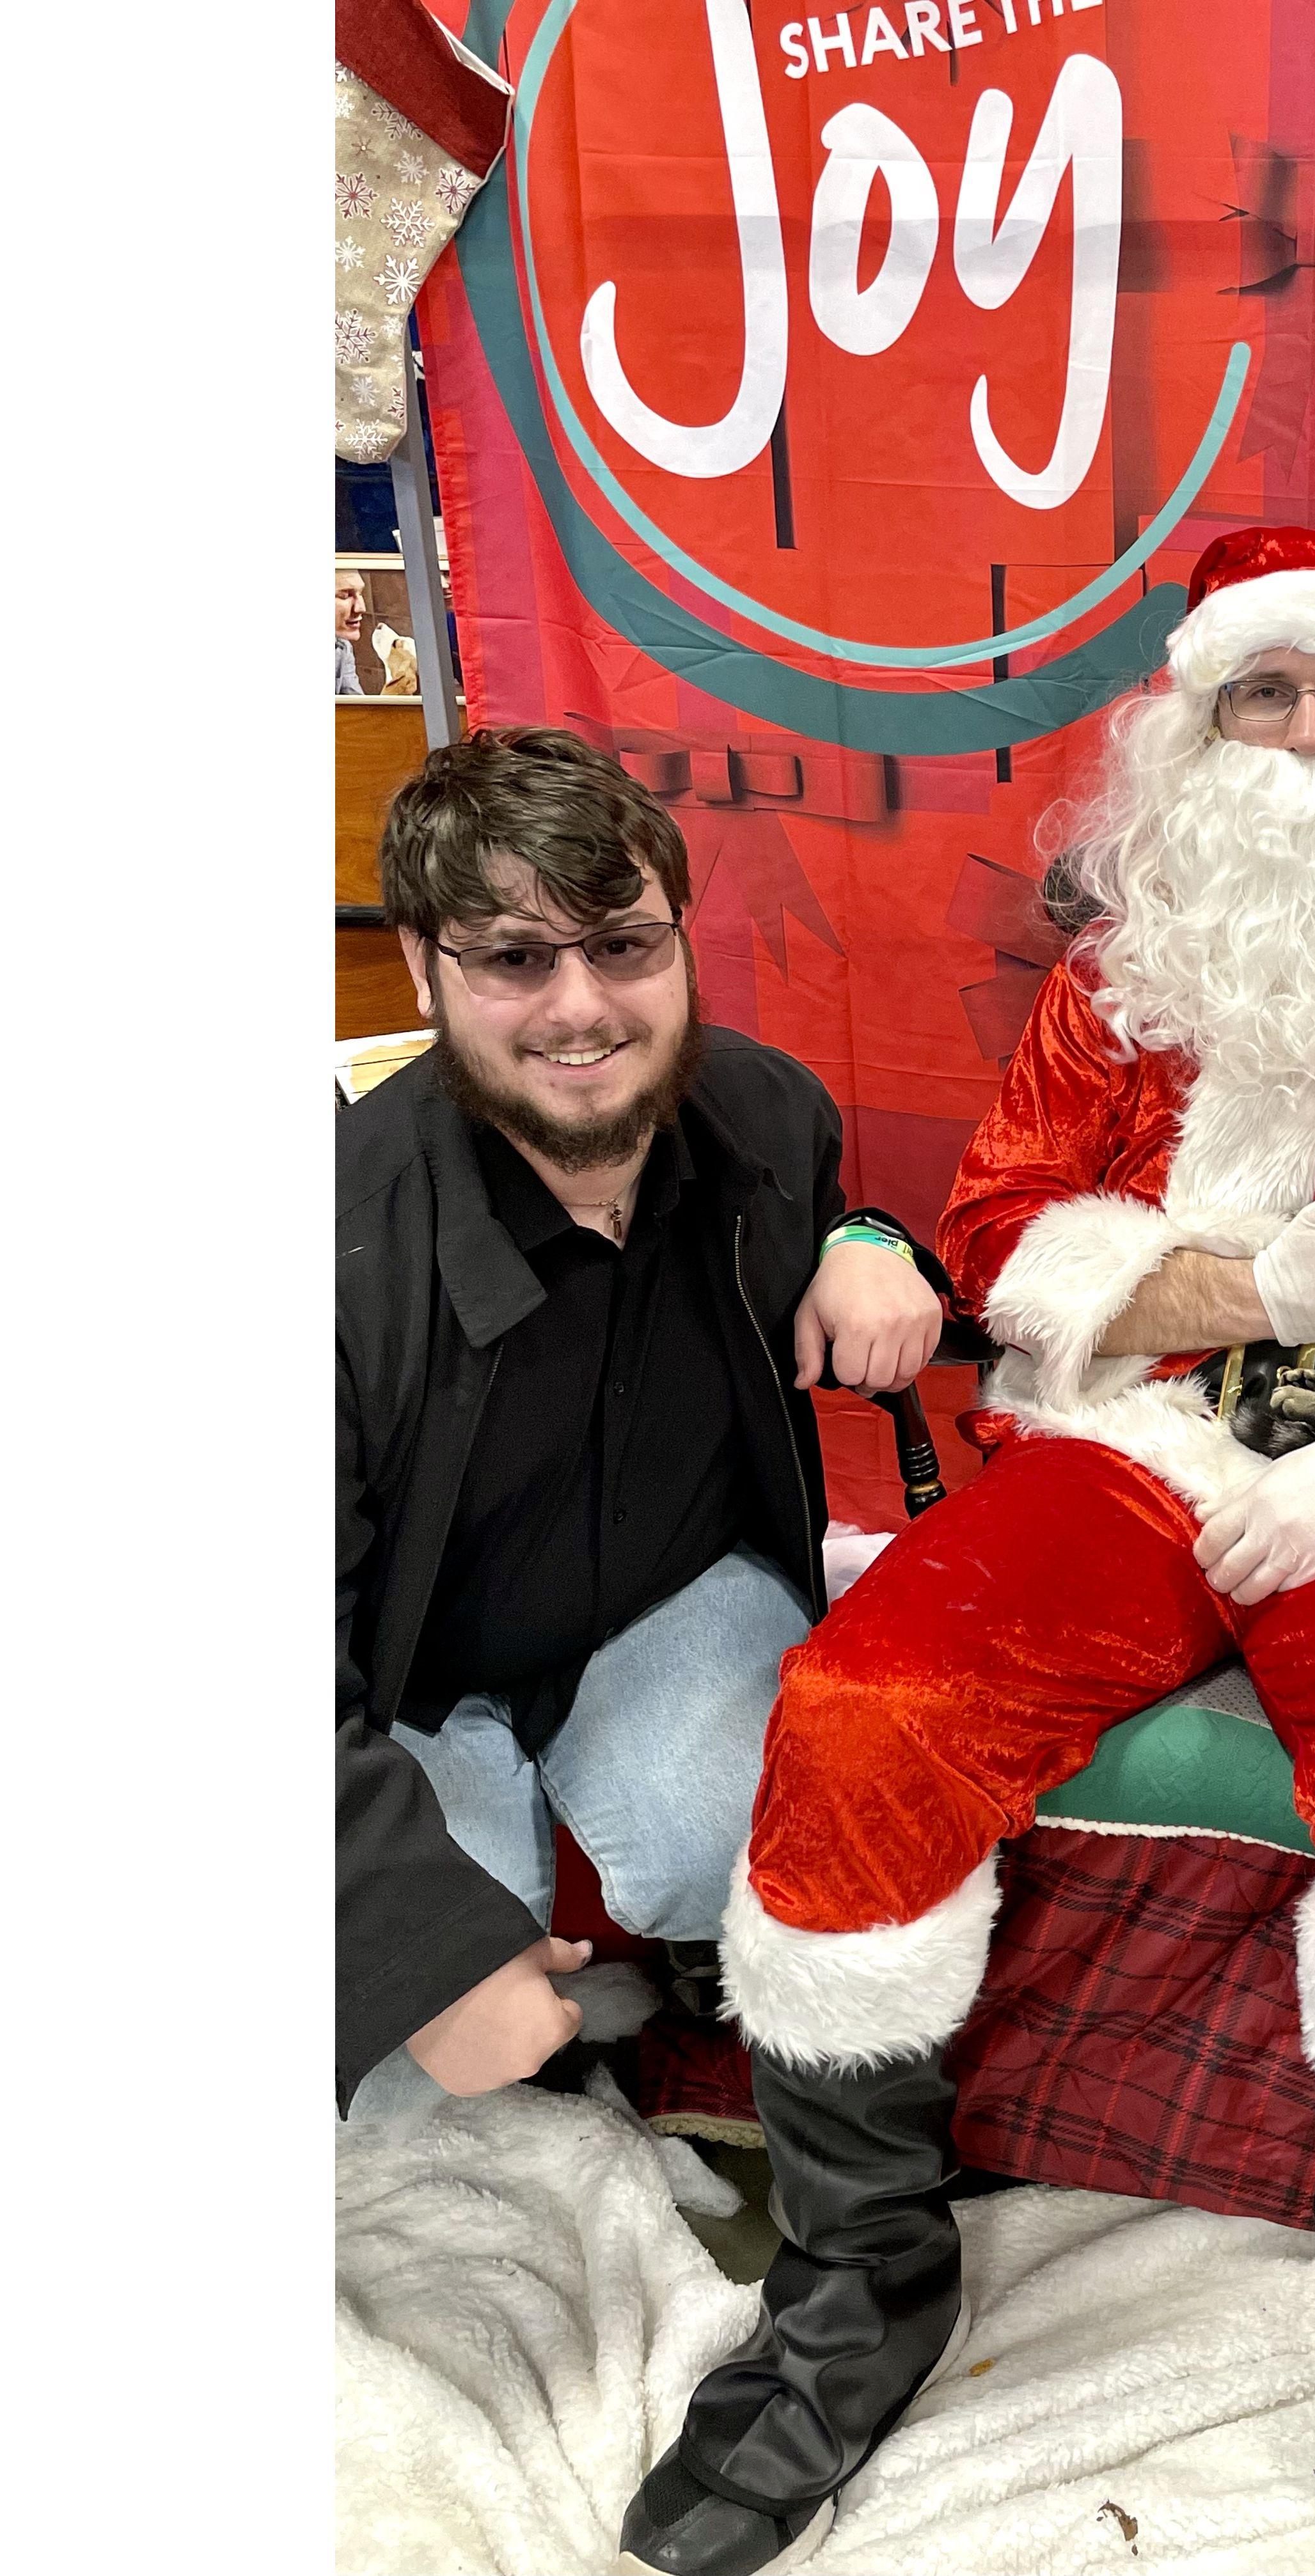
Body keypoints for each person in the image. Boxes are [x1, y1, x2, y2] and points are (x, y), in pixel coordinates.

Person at [619, 530, 1315, 2576]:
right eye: (1256, 698)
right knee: (859, 1704)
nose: (1302, 739)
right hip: (1134, 1433)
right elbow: (1011, 1238)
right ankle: (857, 2289)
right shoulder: (1124, 977)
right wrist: (1246, 1278)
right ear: (1187, 736)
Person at [337, 726, 949, 2131]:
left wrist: (866, 1235)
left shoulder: (765, 1109)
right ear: (427, 967)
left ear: (678, 942)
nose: (580, 1007)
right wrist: (429, 1957)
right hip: (398, 1672)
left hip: (662, 1597)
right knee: (404, 2045)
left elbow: (854, 1242)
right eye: (512, 957)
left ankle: (686, 1976)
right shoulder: (327, 1247)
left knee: (766, 1843)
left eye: (621, 946)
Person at [335, 565, 370, 694]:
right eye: (344, 596)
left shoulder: (342, 648)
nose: (361, 608)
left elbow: (357, 705)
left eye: (360, 594)